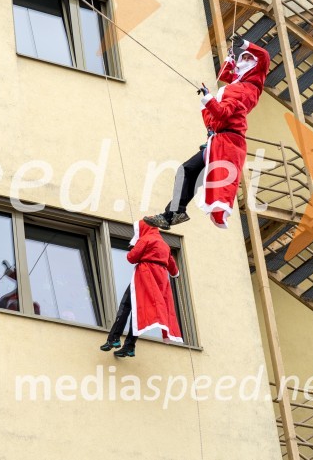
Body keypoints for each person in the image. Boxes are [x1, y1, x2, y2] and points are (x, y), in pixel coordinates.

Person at [144, 35, 270, 230]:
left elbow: (223, 112)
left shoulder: (247, 89)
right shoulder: (237, 86)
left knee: (189, 172)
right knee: (187, 172)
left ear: (255, 65)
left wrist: (244, 45)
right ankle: (173, 214)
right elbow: (226, 77)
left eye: (248, 58)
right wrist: (229, 60)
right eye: (242, 57)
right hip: (219, 140)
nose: (243, 60)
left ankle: (173, 213)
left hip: (226, 143)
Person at [100, 220, 182, 357]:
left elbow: (131, 258)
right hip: (160, 280)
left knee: (126, 305)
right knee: (139, 310)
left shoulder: (145, 239)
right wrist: (176, 274)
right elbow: (173, 269)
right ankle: (129, 346)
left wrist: (135, 246)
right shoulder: (165, 245)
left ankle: (114, 338)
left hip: (144, 276)